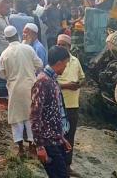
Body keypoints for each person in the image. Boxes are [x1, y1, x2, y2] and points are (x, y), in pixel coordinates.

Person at [0, 25, 43, 157]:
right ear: (17, 35)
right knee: (30, 117)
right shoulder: (28, 49)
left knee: (16, 118)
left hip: (14, 88)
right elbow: (39, 64)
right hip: (30, 87)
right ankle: (31, 146)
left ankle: (20, 149)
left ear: (6, 38)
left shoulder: (4, 54)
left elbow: (2, 74)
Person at [31, 46, 72, 178]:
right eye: (65, 64)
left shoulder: (52, 81)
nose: (65, 68)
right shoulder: (42, 82)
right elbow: (35, 115)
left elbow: (55, 114)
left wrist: (61, 138)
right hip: (47, 142)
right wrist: (39, 146)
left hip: (55, 140)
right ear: (59, 63)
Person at [57, 34, 85, 177]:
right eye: (59, 44)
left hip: (73, 104)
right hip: (58, 104)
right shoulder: (55, 61)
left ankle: (67, 166)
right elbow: (50, 81)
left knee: (70, 136)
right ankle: (58, 165)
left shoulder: (75, 61)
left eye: (63, 45)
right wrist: (67, 85)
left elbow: (82, 78)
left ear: (69, 47)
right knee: (58, 135)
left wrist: (78, 84)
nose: (61, 47)